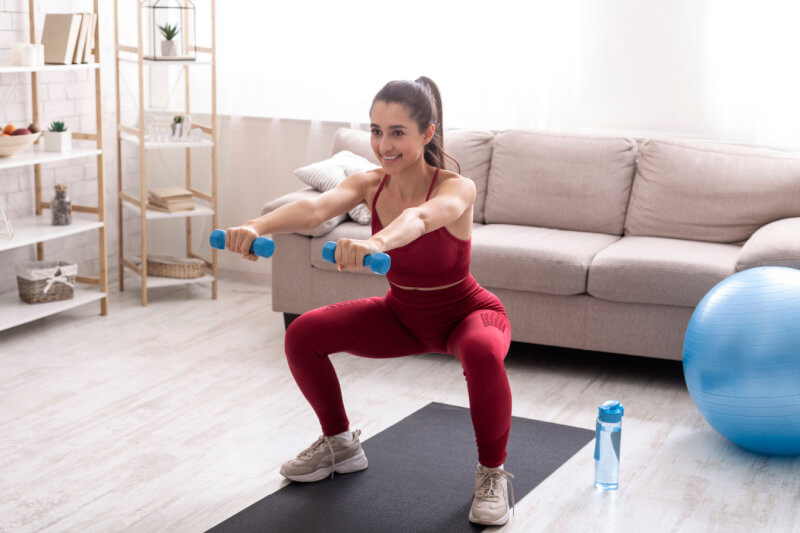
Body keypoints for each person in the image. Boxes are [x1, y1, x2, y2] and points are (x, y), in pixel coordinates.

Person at [224, 76, 514, 526]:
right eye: (376, 130)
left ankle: (493, 474)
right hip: (402, 315)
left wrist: (376, 244)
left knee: (480, 352)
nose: (384, 144)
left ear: (426, 134)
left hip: (468, 315)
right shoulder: (368, 183)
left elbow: (420, 219)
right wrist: (256, 226)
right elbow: (315, 210)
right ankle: (339, 445)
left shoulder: (456, 187)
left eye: (397, 132)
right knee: (303, 334)